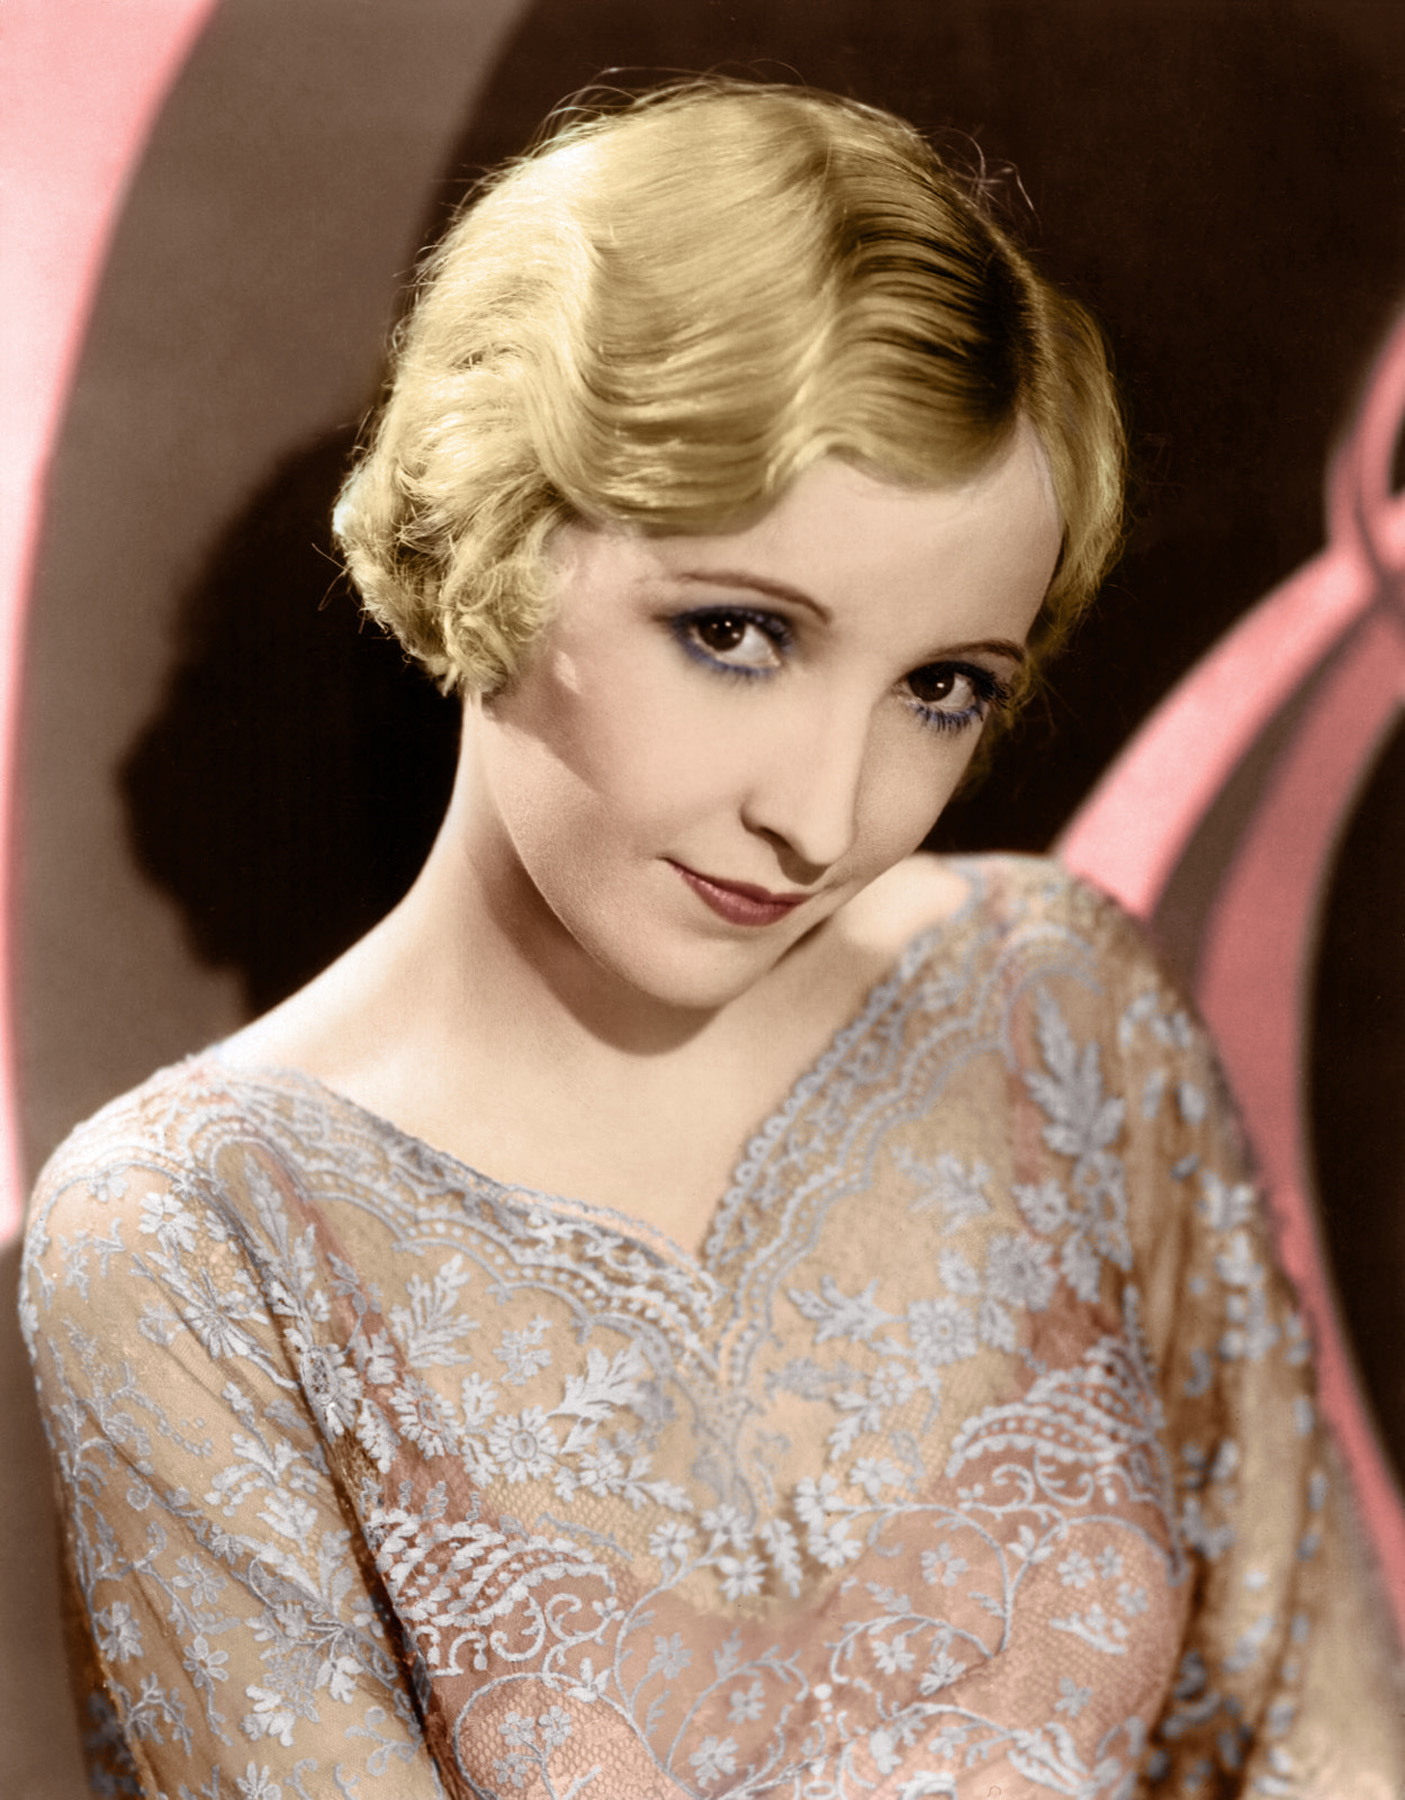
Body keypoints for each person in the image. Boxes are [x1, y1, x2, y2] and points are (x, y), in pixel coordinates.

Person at [19, 79, 1403, 1799]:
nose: (821, 817)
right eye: (738, 634)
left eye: (940, 687)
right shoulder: (190, 1233)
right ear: (498, 531)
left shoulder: (1048, 999)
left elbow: (1330, 1736)